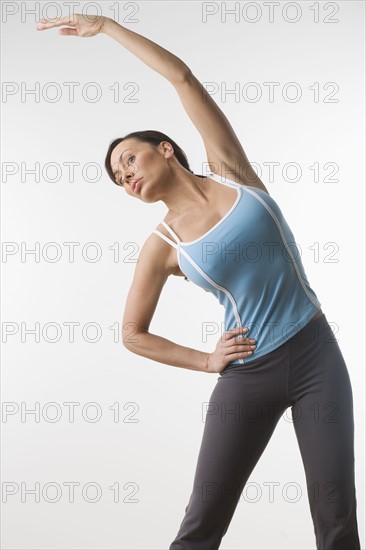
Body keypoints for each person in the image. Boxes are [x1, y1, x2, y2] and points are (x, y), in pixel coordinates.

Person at [37, 14, 362, 549]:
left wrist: (107, 27)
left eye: (130, 159)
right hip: (247, 377)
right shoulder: (163, 245)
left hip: (315, 352)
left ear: (165, 147)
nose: (127, 176)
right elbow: (132, 333)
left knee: (336, 514)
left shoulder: (232, 171)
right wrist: (207, 360)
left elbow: (182, 78)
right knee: (202, 524)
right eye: (120, 179)